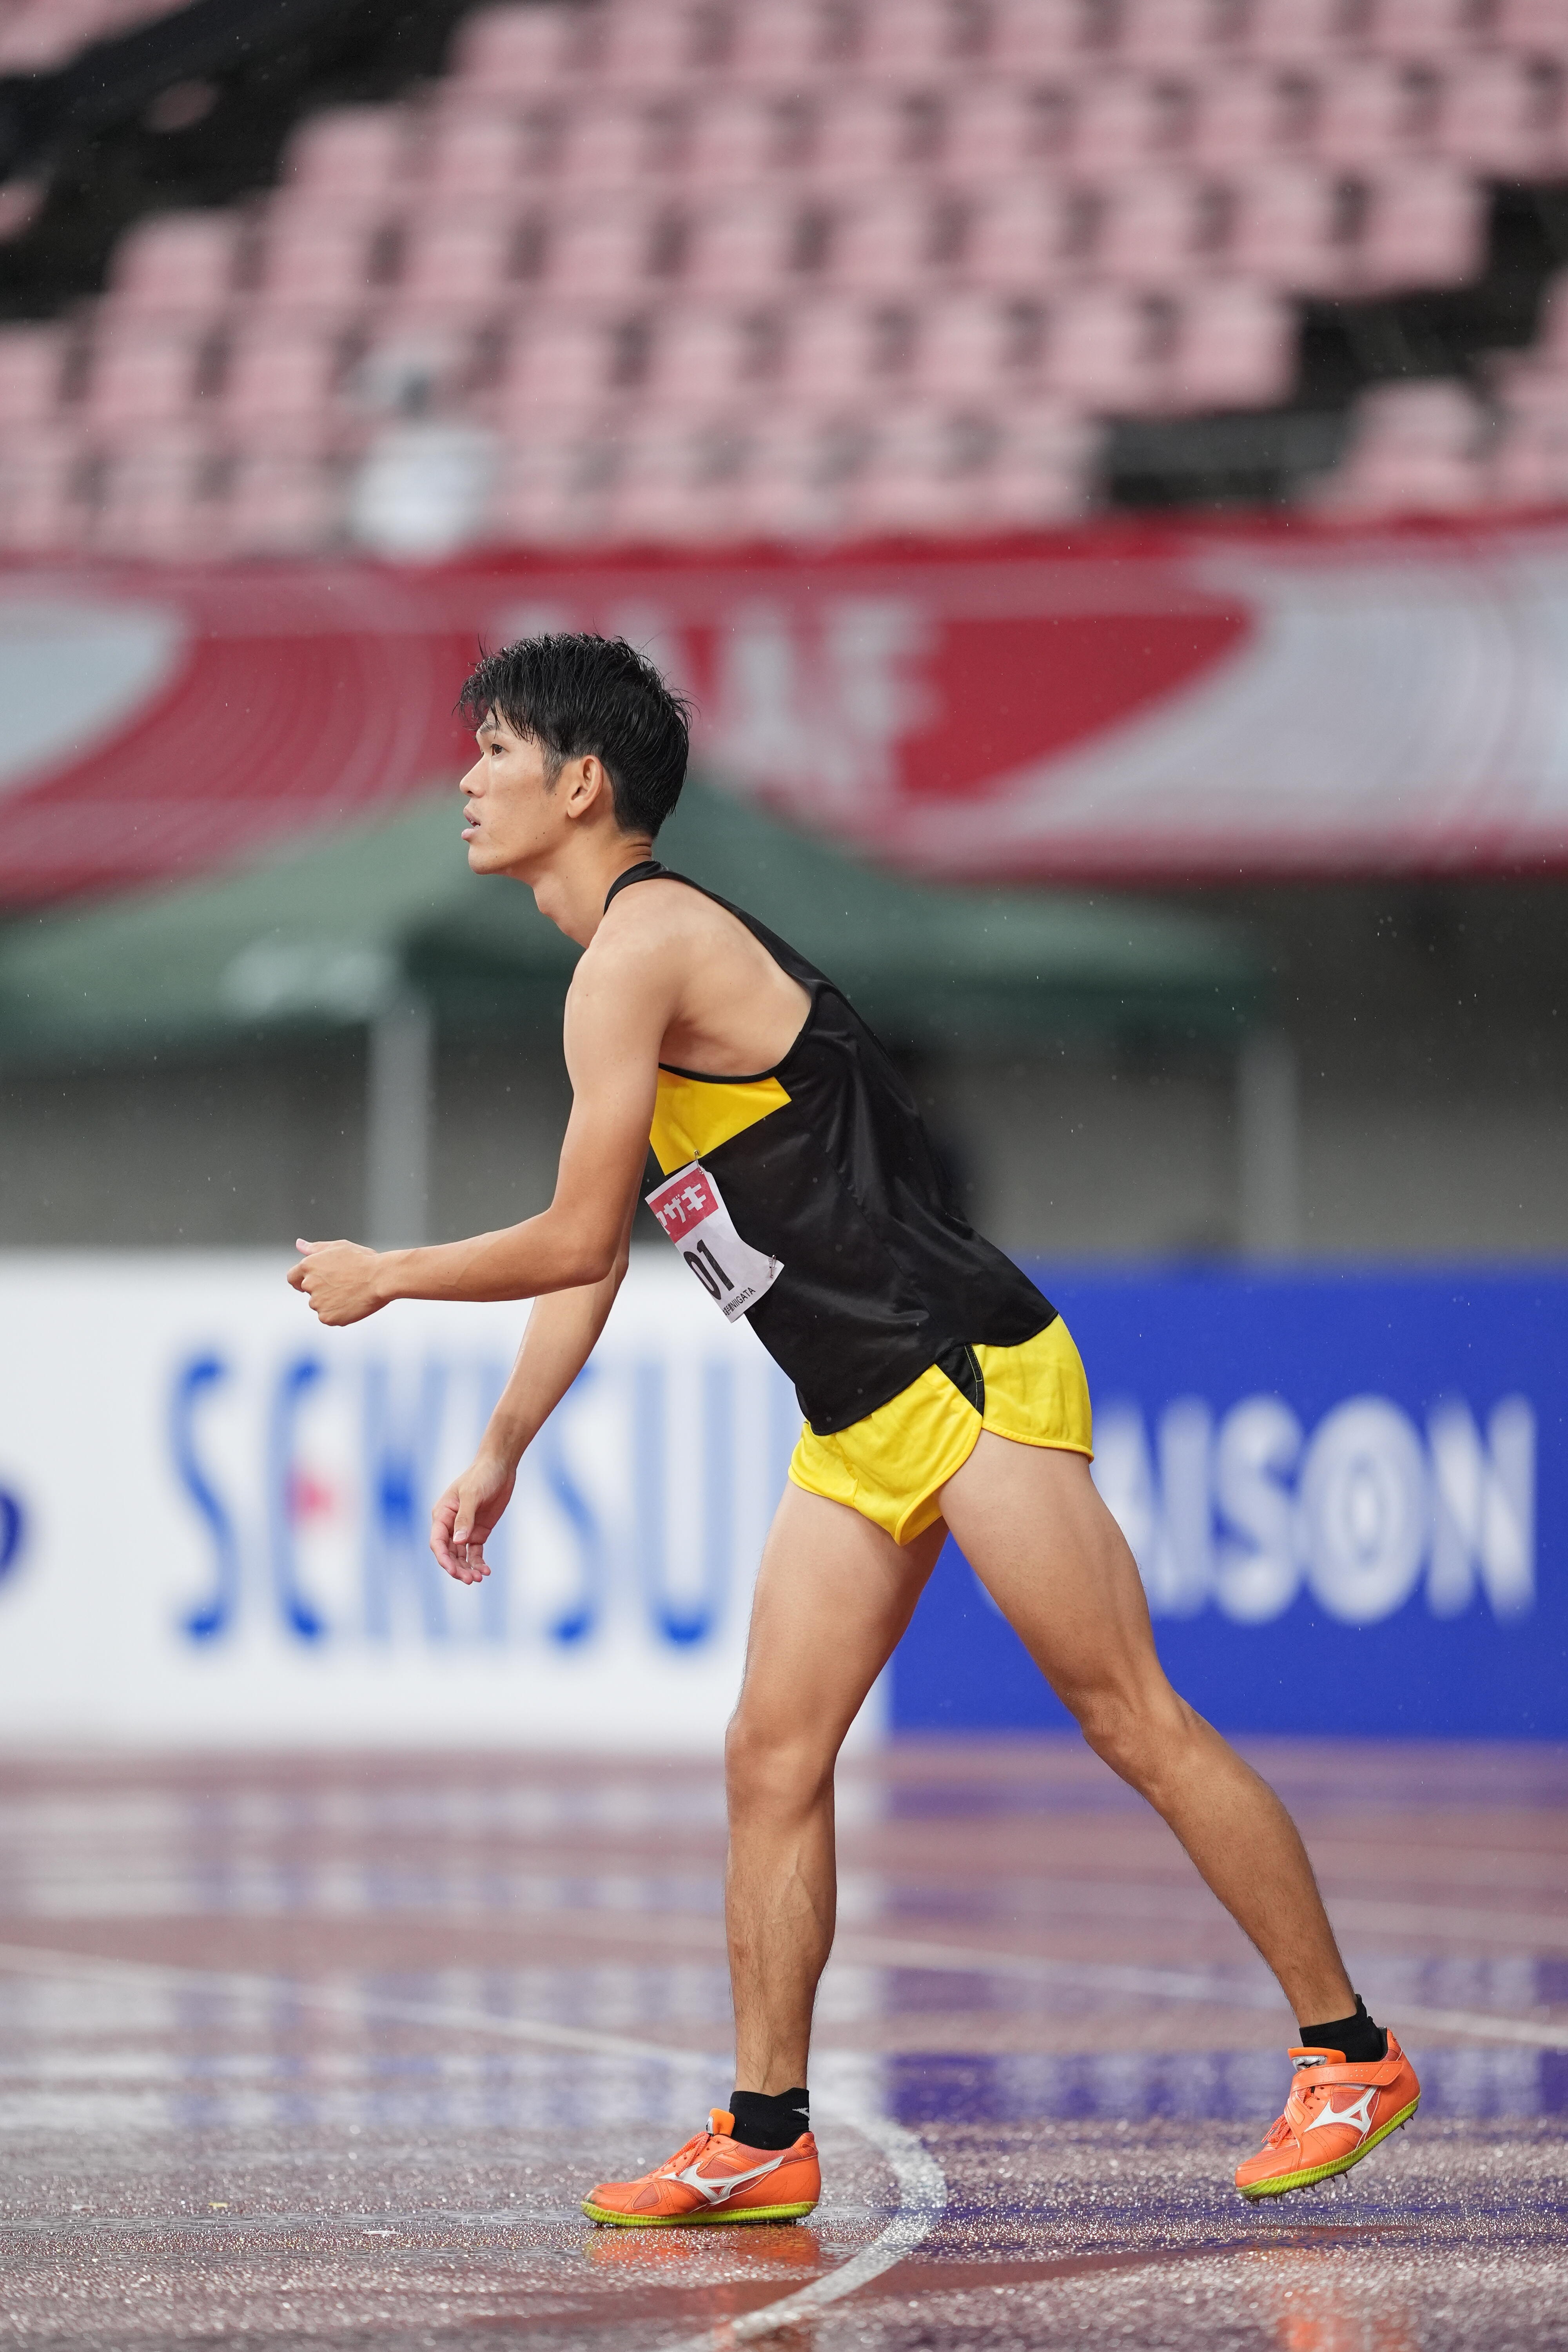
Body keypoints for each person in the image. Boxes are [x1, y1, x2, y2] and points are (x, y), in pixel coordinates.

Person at [289, 632, 1420, 2225]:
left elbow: (571, 1238)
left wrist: (387, 1274)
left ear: (582, 782)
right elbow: (599, 1249)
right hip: (854, 1413)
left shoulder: (641, 948)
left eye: (494, 752)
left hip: (962, 1371)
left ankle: (1349, 2053)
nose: (465, 782)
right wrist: (504, 1446)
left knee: (1130, 1719)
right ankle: (765, 2134)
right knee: (771, 1756)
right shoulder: (617, 969)